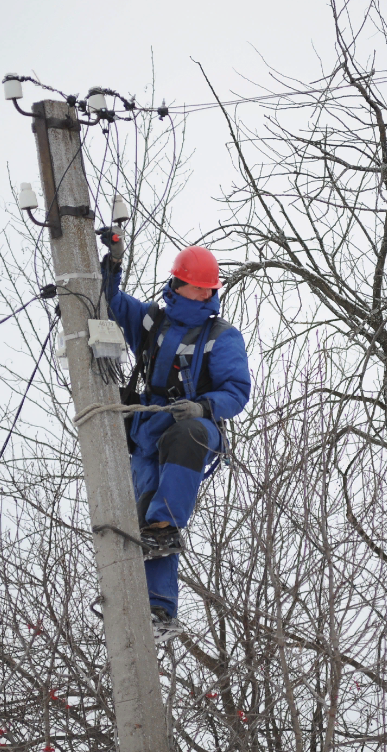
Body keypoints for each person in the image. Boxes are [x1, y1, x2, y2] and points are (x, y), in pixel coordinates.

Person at [98, 231, 251, 644]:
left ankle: (166, 524)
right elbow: (109, 301)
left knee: (183, 444)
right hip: (147, 433)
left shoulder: (221, 337)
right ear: (177, 284)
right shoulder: (153, 323)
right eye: (194, 289)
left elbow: (236, 391)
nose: (201, 296)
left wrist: (203, 407)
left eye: (207, 291)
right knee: (142, 513)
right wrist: (110, 263)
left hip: (195, 429)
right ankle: (156, 607)